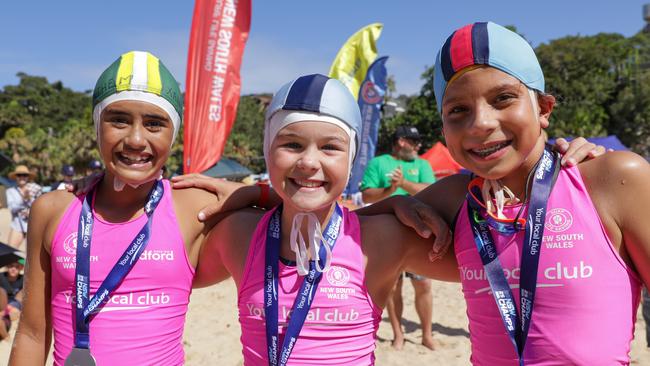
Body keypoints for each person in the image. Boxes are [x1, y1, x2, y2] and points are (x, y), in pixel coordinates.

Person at [173, 25, 634, 366]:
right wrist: (262, 191)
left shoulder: (610, 179)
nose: (480, 123)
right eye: (458, 110)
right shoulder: (458, 197)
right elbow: (338, 216)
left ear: (545, 108)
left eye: (503, 99)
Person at [9, 50, 224, 365]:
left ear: (173, 134)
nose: (136, 139)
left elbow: (289, 208)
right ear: (97, 126)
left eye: (154, 124)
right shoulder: (54, 209)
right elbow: (31, 333)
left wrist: (251, 192)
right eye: (119, 120)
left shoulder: (194, 206)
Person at [360, 125, 437, 349]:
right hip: (387, 236)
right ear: (402, 141)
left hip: (419, 234)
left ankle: (427, 335)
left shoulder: (422, 164)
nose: (418, 146)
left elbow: (430, 191)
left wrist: (403, 184)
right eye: (414, 141)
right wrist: (389, 189)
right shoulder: (379, 163)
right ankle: (398, 334)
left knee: (423, 285)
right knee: (393, 288)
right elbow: (367, 195)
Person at [6, 165, 42, 248]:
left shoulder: (35, 189)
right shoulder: (10, 191)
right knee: (10, 254)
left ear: (28, 177)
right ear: (16, 177)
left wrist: (31, 211)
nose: (22, 177)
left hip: (33, 226)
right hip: (18, 226)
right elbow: (12, 209)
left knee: (31, 257)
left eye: (24, 175)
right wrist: (23, 200)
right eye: (19, 175)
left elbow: (39, 206)